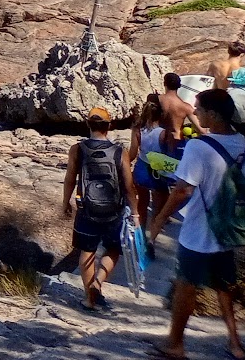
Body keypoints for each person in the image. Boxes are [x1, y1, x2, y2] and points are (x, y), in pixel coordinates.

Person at [146, 88, 245, 359]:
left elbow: (183, 190)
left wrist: (158, 219)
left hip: (199, 231)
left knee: (185, 285)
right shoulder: (244, 143)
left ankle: (175, 344)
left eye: (199, 109)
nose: (196, 112)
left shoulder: (198, 146)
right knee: (224, 286)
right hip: (228, 226)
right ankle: (235, 343)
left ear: (213, 114)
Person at [61, 106, 133, 310]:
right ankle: (98, 281)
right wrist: (134, 211)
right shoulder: (120, 151)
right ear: (109, 127)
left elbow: (69, 179)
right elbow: (128, 185)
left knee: (87, 250)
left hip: (87, 209)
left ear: (87, 125)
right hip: (113, 210)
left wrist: (65, 202)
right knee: (113, 249)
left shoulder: (78, 149)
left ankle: (89, 298)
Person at [129, 93, 171, 228]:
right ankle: (153, 235)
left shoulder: (137, 130)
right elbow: (169, 153)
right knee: (158, 207)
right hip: (157, 171)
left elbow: (133, 153)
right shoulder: (164, 133)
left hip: (141, 169)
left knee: (142, 203)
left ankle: (140, 234)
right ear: (161, 114)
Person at [162, 72, 203, 152]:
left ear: (164, 84)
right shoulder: (185, 107)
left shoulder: (156, 100)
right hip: (176, 142)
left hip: (159, 140)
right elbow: (201, 130)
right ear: (179, 86)